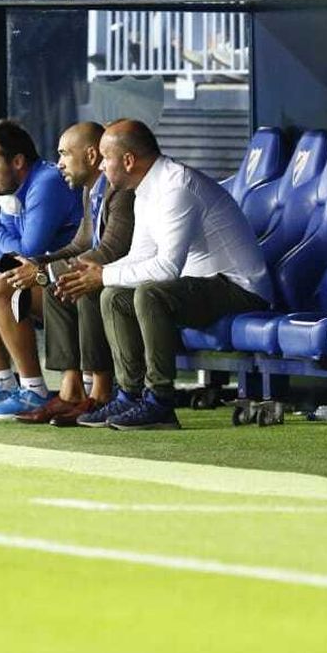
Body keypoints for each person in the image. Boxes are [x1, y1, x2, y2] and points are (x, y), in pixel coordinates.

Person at [62, 120, 272, 432]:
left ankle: (160, 401)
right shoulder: (145, 187)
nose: (102, 167)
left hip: (240, 289)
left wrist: (104, 274)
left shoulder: (176, 187)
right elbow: (141, 256)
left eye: (106, 158)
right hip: (199, 286)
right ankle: (130, 395)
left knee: (150, 293)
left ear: (129, 160)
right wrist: (102, 275)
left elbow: (166, 268)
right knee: (114, 295)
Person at [0, 119, 82, 419]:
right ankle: (3, 386)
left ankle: (33, 391)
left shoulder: (46, 183)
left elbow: (28, 251)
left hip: (75, 284)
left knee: (1, 285)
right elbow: (3, 259)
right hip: (45, 280)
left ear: (18, 161)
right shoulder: (10, 190)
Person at [13, 122, 137, 426]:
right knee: (60, 284)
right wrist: (36, 263)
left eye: (65, 154)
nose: (59, 164)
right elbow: (80, 245)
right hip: (107, 274)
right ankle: (70, 390)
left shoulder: (120, 191)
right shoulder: (89, 191)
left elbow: (110, 251)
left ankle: (102, 392)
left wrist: (43, 271)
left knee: (80, 285)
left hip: (130, 279)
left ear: (92, 155)